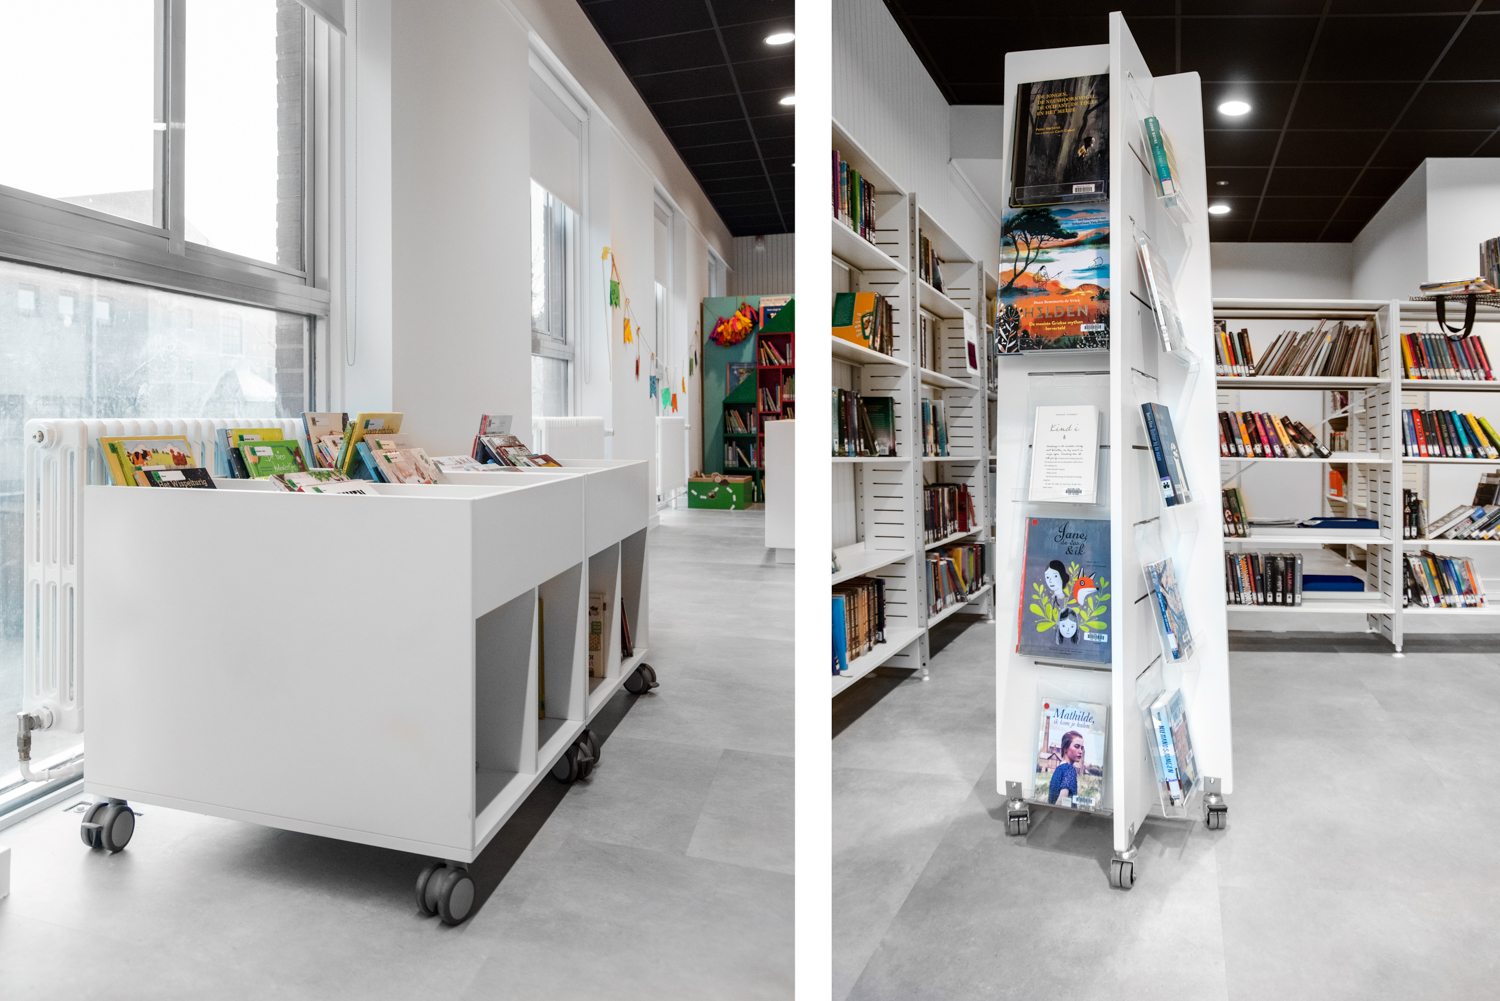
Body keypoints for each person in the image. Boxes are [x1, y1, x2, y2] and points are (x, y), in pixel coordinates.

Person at [1048, 729, 1084, 804]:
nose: (1080, 751)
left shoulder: (1058, 769)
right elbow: (1060, 802)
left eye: (1082, 748)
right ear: (1065, 748)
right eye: (1076, 746)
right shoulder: (1069, 769)